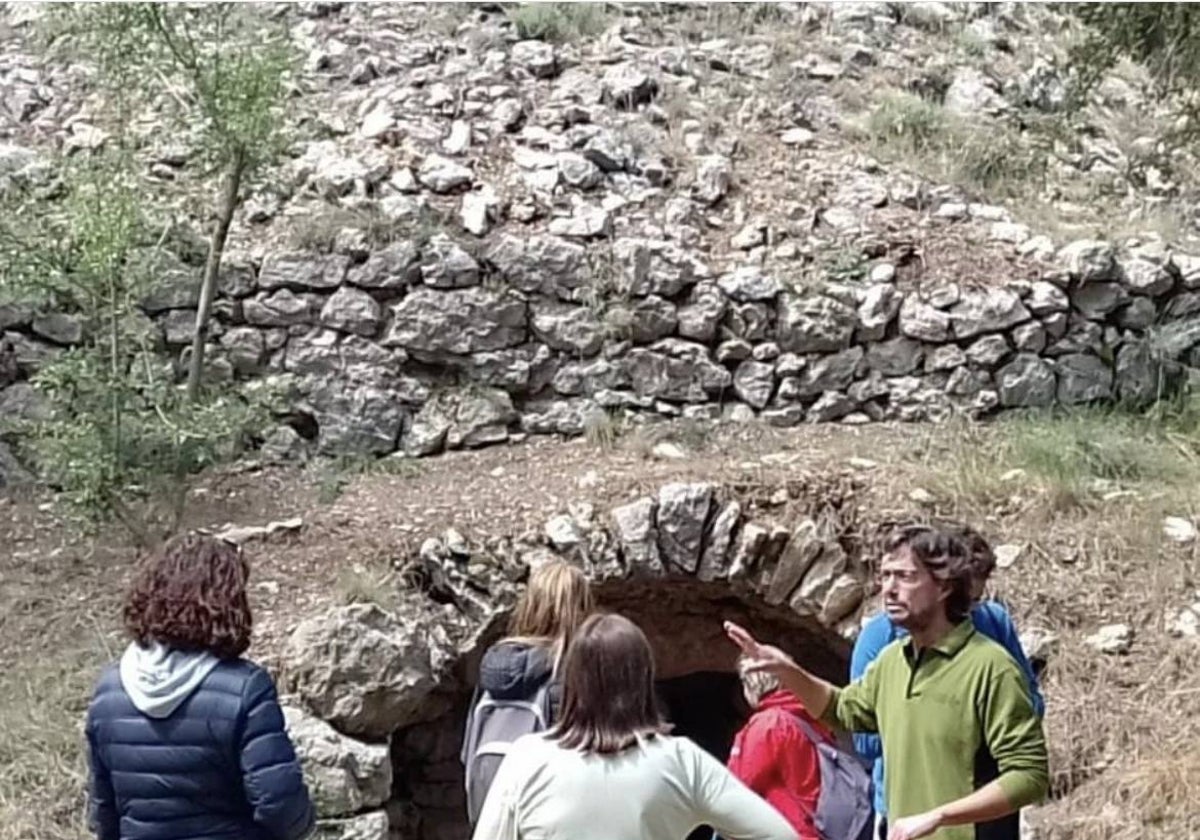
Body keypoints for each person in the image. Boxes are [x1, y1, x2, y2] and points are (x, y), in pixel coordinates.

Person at [725, 525, 1048, 840]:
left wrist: (940, 815)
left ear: (945, 586)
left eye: (905, 576)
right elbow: (843, 710)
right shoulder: (891, 661)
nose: (888, 589)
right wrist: (788, 671)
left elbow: (1029, 776)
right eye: (885, 575)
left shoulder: (991, 667)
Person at [471, 612, 799, 840]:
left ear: (572, 683)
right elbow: (779, 835)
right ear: (644, 682)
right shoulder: (682, 760)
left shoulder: (526, 757)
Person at [85, 533, 314, 840]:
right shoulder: (245, 688)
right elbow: (280, 806)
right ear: (228, 603)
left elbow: (104, 813)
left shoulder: (109, 690)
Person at [850, 523, 1045, 840]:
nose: (969, 609)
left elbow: (1031, 703)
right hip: (907, 809)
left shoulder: (993, 623)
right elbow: (863, 736)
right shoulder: (881, 638)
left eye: (977, 598)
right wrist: (927, 721)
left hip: (987, 804)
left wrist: (986, 718)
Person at [461, 561, 594, 824]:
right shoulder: (567, 673)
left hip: (489, 809)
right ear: (579, 610)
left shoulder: (492, 668)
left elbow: (467, 752)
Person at [727, 655, 836, 840]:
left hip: (795, 831)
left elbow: (737, 787)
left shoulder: (767, 725)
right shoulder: (810, 712)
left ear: (749, 687)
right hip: (828, 825)